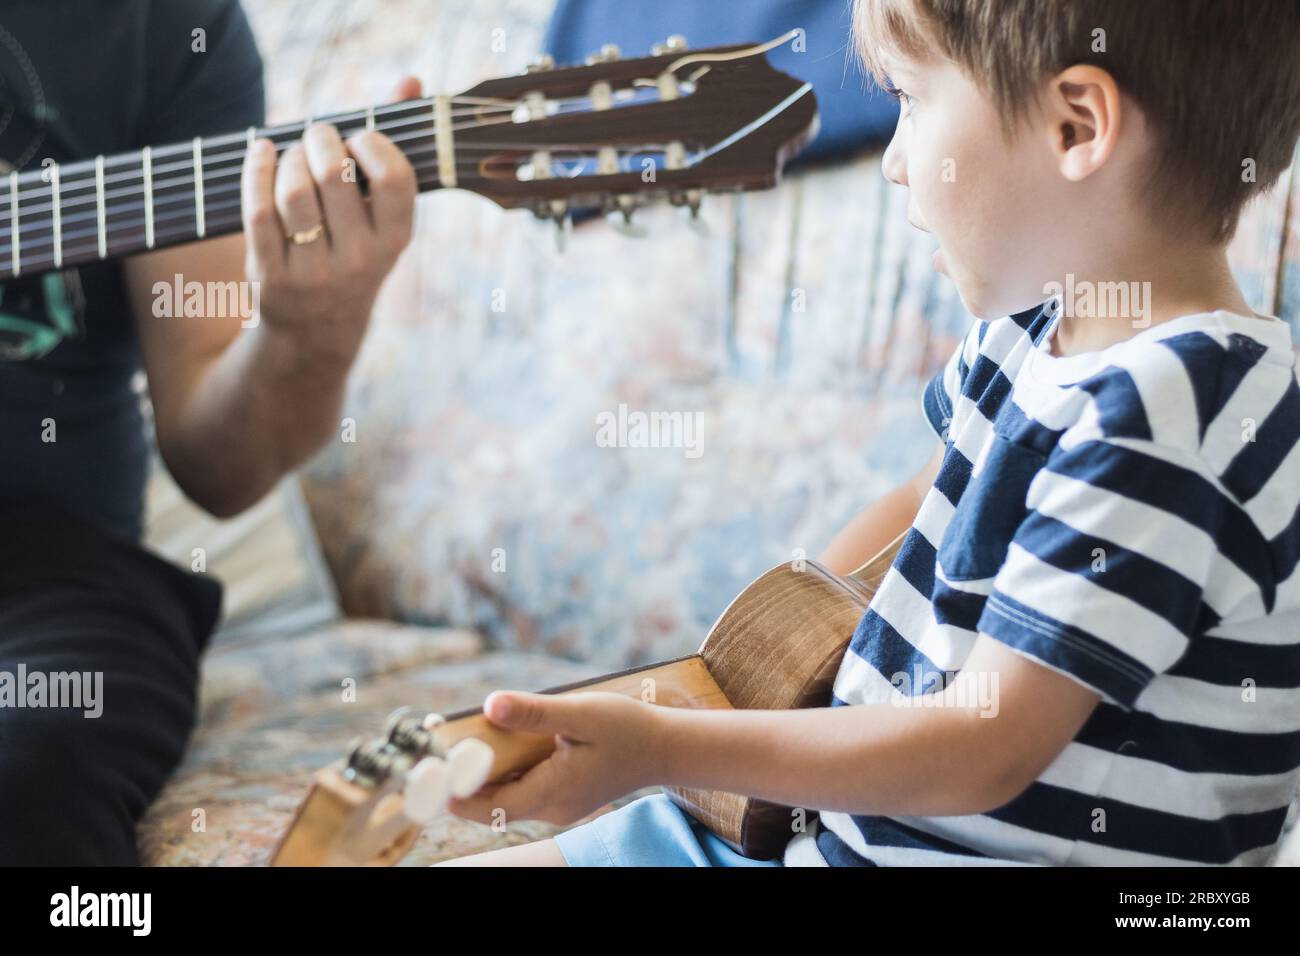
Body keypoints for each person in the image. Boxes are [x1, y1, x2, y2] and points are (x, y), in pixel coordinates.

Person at [439, 0, 1300, 866]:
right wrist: (747, 677)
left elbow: (984, 750)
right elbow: (920, 506)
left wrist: (662, 747)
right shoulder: (1032, 331)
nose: (892, 160)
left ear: (1077, 126)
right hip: (841, 839)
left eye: (912, 100)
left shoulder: (1174, 410)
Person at [0, 0, 418, 864]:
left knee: (26, 766)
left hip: (49, 577)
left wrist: (311, 330)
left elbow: (219, 466)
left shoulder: (169, 25)